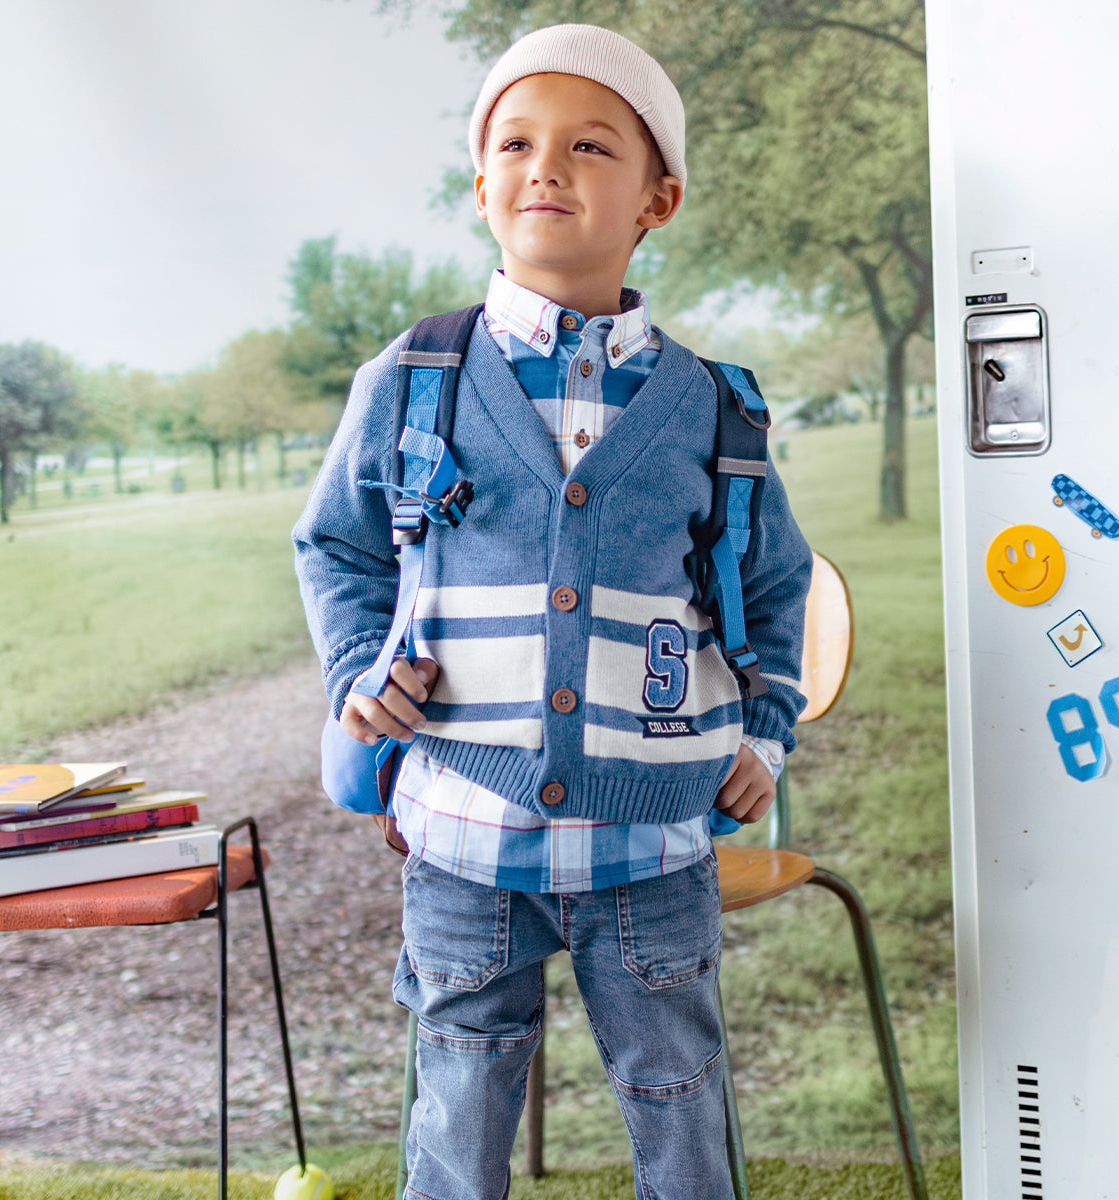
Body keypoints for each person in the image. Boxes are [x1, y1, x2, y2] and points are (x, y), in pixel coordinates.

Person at [293, 23, 812, 1200]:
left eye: (589, 144)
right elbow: (337, 547)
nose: (546, 168)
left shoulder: (715, 411)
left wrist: (767, 733)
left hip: (656, 843)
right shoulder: (411, 382)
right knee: (462, 1088)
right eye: (516, 144)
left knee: (678, 1088)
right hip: (466, 829)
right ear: (482, 186)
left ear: (657, 198)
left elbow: (773, 585)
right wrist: (358, 676)